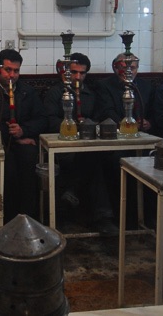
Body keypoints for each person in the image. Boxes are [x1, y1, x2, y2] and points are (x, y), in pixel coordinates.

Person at [43, 53, 117, 235]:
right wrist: (74, 127)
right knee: (92, 160)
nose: (77, 77)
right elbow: (49, 121)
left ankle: (73, 193)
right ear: (65, 72)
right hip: (63, 147)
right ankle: (103, 217)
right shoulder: (54, 93)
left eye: (82, 73)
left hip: (89, 145)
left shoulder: (91, 94)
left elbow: (100, 117)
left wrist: (90, 125)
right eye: (74, 72)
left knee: (95, 157)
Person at [0, 49, 46, 222]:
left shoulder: (27, 91)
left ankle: (28, 219)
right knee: (9, 169)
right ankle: (7, 220)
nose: (12, 75)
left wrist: (23, 130)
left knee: (30, 163)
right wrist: (15, 136)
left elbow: (42, 119)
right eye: (8, 70)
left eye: (16, 70)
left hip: (22, 143)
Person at [96, 53, 154, 133]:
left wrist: (149, 123)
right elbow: (107, 111)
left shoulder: (146, 86)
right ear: (116, 69)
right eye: (124, 68)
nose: (128, 72)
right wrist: (126, 125)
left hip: (143, 132)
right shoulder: (104, 86)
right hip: (116, 131)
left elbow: (154, 110)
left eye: (132, 68)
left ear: (137, 68)